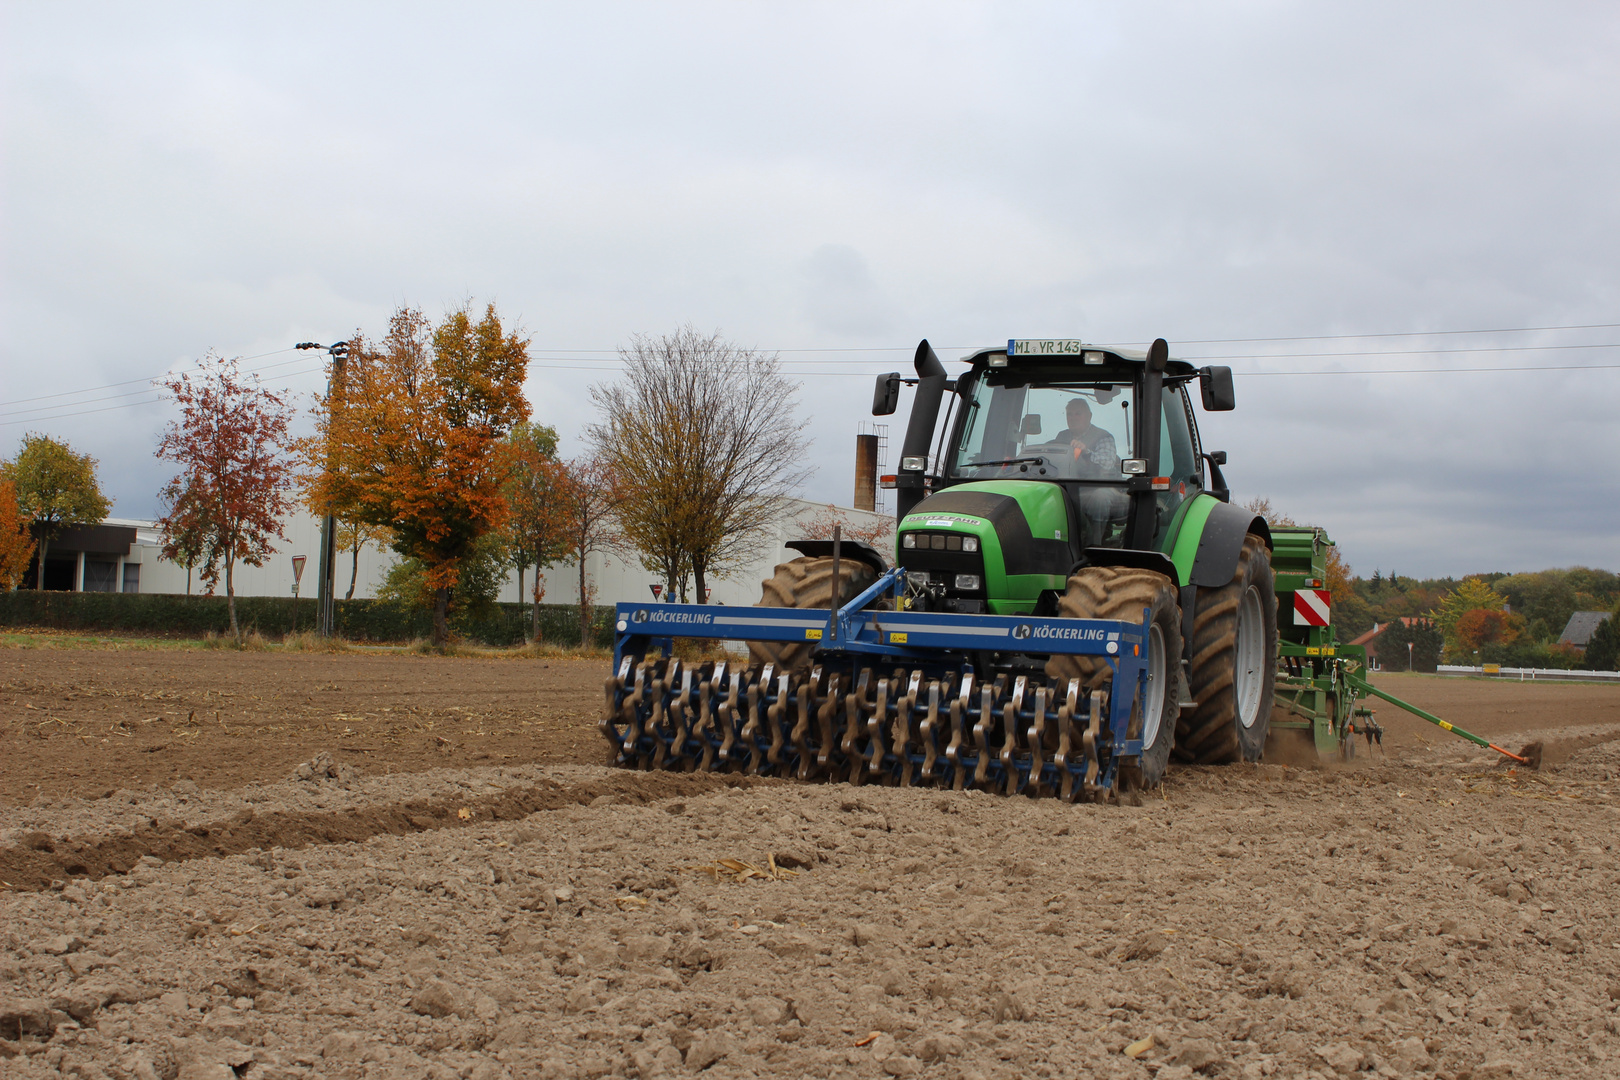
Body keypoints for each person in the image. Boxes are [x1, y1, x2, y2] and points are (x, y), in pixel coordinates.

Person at [1053, 398, 1120, 479]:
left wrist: (1086, 452)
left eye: (1078, 414)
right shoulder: (1061, 436)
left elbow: (1107, 464)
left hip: (1093, 485)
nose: (1073, 418)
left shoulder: (1103, 437)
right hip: (1065, 483)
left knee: (1102, 492)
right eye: (1069, 414)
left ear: (1089, 416)